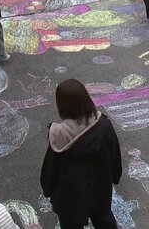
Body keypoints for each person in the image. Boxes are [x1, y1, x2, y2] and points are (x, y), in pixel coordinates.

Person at [40, 79, 123, 229]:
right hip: (99, 185)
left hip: (69, 193)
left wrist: (47, 188)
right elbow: (114, 153)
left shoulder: (58, 134)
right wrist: (115, 175)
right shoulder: (102, 124)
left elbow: (51, 167)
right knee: (103, 219)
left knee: (71, 224)